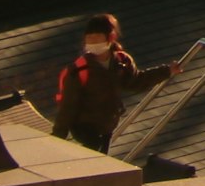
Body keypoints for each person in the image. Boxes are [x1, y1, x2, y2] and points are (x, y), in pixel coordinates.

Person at [49, 15, 158, 152]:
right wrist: (58, 135)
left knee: (102, 158)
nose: (93, 42)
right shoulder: (79, 70)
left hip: (107, 124)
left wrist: (167, 71)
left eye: (97, 37)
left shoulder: (121, 62)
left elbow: (135, 81)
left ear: (110, 38)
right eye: (89, 38)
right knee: (94, 150)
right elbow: (68, 105)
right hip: (83, 124)